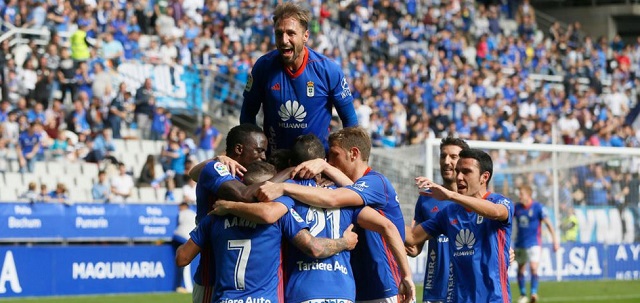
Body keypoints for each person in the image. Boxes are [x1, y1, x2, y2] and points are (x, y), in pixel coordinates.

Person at [214, 133, 414, 303]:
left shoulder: (290, 195)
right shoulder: (348, 198)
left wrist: (230, 206)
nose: (332, 163)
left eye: (334, 156)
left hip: (306, 291)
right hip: (346, 291)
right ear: (321, 162)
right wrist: (407, 274)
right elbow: (387, 225)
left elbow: (268, 213)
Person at [176, 160, 359, 303]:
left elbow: (182, 258)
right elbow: (315, 247)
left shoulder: (215, 216)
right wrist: (345, 242)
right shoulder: (281, 213)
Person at [241, 2, 358, 153]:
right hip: (274, 162)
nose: (284, 40)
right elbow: (247, 114)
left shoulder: (328, 70)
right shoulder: (263, 67)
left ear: (305, 36)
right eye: (279, 33)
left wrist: (339, 161)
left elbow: (350, 122)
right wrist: (257, 150)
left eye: (291, 33)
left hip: (314, 167)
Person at [405, 149, 513, 303]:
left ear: (485, 177)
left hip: (494, 299)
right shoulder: (449, 213)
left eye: (466, 172)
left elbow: (495, 212)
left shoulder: (500, 202)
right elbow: (413, 237)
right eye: (458, 171)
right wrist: (385, 213)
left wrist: (452, 196)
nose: (459, 177)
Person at [405, 136, 469, 303]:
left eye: (453, 157)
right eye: (443, 156)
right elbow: (414, 248)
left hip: (466, 292)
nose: (446, 161)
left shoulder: (476, 200)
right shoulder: (426, 198)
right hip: (435, 291)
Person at [514, 184, 559, 303]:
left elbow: (548, 224)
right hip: (520, 243)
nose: (519, 196)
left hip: (534, 242)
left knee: (534, 267)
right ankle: (523, 294)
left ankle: (533, 292)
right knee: (521, 269)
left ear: (528, 195)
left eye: (521, 194)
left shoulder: (538, 207)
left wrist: (555, 240)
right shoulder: (516, 208)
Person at [173, 202, 196, 294]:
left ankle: (183, 286)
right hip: (189, 238)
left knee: (184, 262)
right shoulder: (193, 213)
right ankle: (186, 286)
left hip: (180, 236)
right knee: (186, 263)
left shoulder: (182, 213)